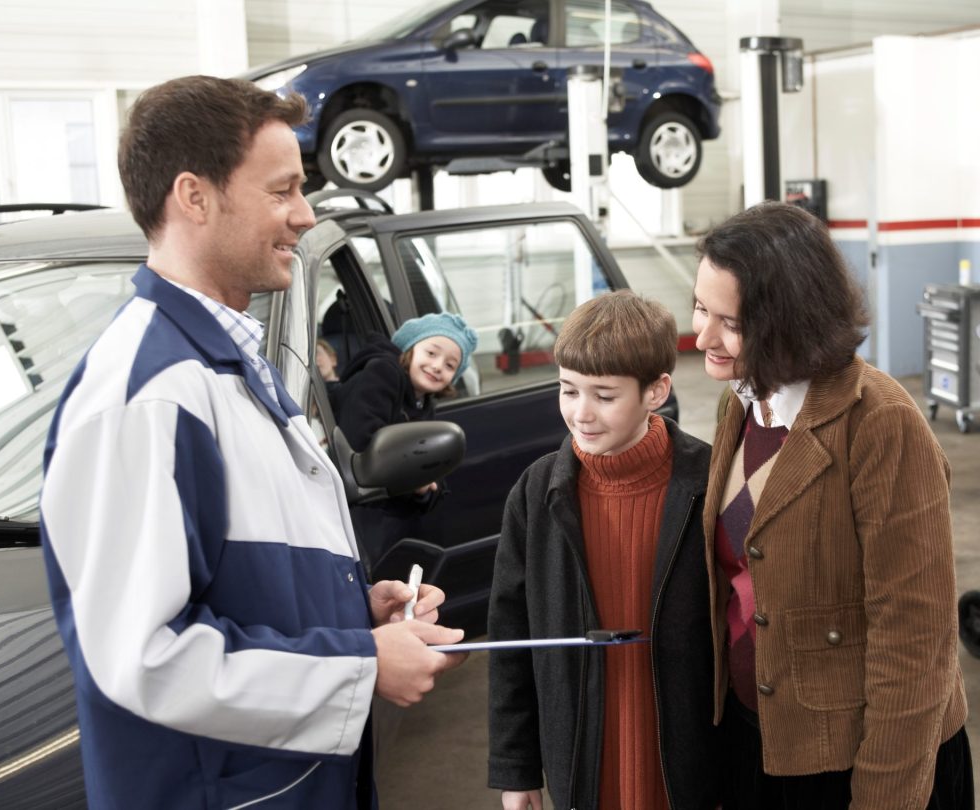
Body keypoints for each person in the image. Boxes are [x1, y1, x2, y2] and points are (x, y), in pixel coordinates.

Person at [38, 75, 465, 810]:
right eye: (282, 191)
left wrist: (350, 613)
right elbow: (144, 658)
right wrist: (360, 663)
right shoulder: (148, 396)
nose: (305, 213)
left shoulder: (224, 361)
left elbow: (233, 576)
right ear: (194, 197)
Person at [692, 200, 972, 809]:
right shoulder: (741, 401)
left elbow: (916, 640)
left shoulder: (880, 423)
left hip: (857, 761)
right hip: (760, 741)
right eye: (700, 308)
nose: (702, 337)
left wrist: (884, 795)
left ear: (789, 322)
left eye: (730, 322)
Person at [487, 290, 720, 810]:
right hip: (580, 764)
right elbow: (510, 640)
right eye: (568, 390)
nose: (581, 413)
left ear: (656, 391)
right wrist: (515, 769)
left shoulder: (710, 484)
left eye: (605, 396)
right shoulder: (535, 493)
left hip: (691, 766)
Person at [331, 312, 478, 564]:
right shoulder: (383, 373)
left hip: (378, 522)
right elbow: (361, 447)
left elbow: (429, 466)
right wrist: (413, 480)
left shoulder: (423, 402)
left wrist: (425, 487)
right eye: (431, 353)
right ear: (410, 348)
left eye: (450, 365)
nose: (437, 366)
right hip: (346, 512)